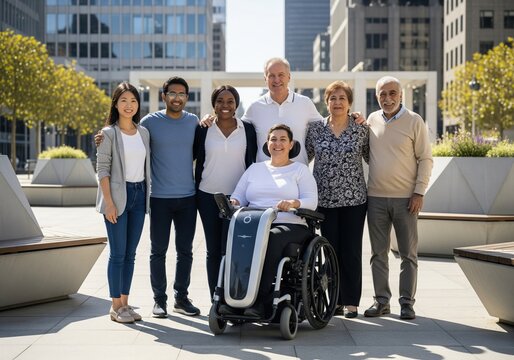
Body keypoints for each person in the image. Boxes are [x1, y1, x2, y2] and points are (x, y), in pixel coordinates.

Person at [201, 57, 366, 165]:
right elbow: (232, 124)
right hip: (264, 179)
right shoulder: (255, 107)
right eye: (271, 75)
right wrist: (210, 118)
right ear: (265, 79)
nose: (276, 80)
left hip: (297, 179)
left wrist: (352, 116)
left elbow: (329, 124)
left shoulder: (305, 103)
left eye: (281, 75)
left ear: (289, 77)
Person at [227, 124, 318, 317]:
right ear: (267, 144)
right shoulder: (254, 169)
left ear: (291, 144)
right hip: (256, 223)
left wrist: (294, 202)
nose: (277, 143)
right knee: (239, 240)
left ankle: (260, 301)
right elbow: (238, 196)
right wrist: (234, 201)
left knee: (270, 239)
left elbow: (312, 202)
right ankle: (233, 298)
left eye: (283, 139)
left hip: (290, 223)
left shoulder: (300, 170)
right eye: (273, 139)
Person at [364, 76, 433, 320]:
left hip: (406, 199)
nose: (388, 98)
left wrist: (419, 191)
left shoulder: (414, 121)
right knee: (378, 254)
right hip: (375, 198)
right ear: (377, 96)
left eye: (392, 93)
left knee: (408, 254)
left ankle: (407, 303)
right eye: (383, 94)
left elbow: (425, 158)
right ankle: (381, 301)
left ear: (401, 95)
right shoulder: (371, 120)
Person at [305, 81, 369, 319]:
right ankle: (334, 301)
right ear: (326, 102)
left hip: (355, 200)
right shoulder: (315, 129)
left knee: (351, 251)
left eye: (342, 98)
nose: (337, 102)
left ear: (349, 102)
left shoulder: (361, 129)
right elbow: (303, 159)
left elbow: (374, 158)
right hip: (325, 201)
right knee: (329, 251)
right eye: (333, 98)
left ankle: (351, 302)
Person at [141, 76, 201, 318]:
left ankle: (181, 298)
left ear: (187, 98)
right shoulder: (149, 122)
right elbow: (128, 138)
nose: (177, 98)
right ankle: (159, 300)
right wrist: (104, 136)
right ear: (164, 95)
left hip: (188, 198)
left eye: (182, 94)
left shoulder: (194, 122)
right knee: (158, 251)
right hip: (159, 198)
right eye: (172, 93)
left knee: (185, 251)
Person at [193, 85, 257, 298]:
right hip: (207, 196)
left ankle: (233, 296)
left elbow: (253, 161)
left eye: (230, 101)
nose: (225, 105)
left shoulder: (247, 129)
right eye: (220, 101)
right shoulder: (203, 128)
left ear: (236, 104)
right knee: (213, 250)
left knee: (232, 250)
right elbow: (193, 156)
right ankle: (216, 298)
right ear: (214, 105)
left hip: (237, 199)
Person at [96, 82, 151, 323]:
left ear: (138, 105)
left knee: (130, 254)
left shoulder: (144, 133)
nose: (128, 105)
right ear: (116, 104)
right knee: (117, 254)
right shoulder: (108, 133)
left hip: (139, 196)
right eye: (123, 101)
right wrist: (109, 203)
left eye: (133, 101)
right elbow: (102, 170)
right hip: (117, 197)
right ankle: (115, 306)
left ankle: (126, 304)